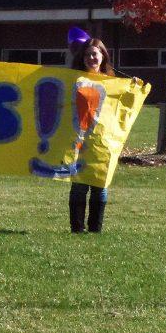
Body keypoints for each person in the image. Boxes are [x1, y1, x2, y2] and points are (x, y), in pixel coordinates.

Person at [68, 37, 115, 233]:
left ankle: (95, 229)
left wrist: (135, 87)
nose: (91, 58)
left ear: (103, 56)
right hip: (79, 139)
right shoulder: (74, 80)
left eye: (95, 54)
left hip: (102, 141)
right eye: (87, 54)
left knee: (99, 183)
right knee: (79, 183)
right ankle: (77, 228)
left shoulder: (113, 83)